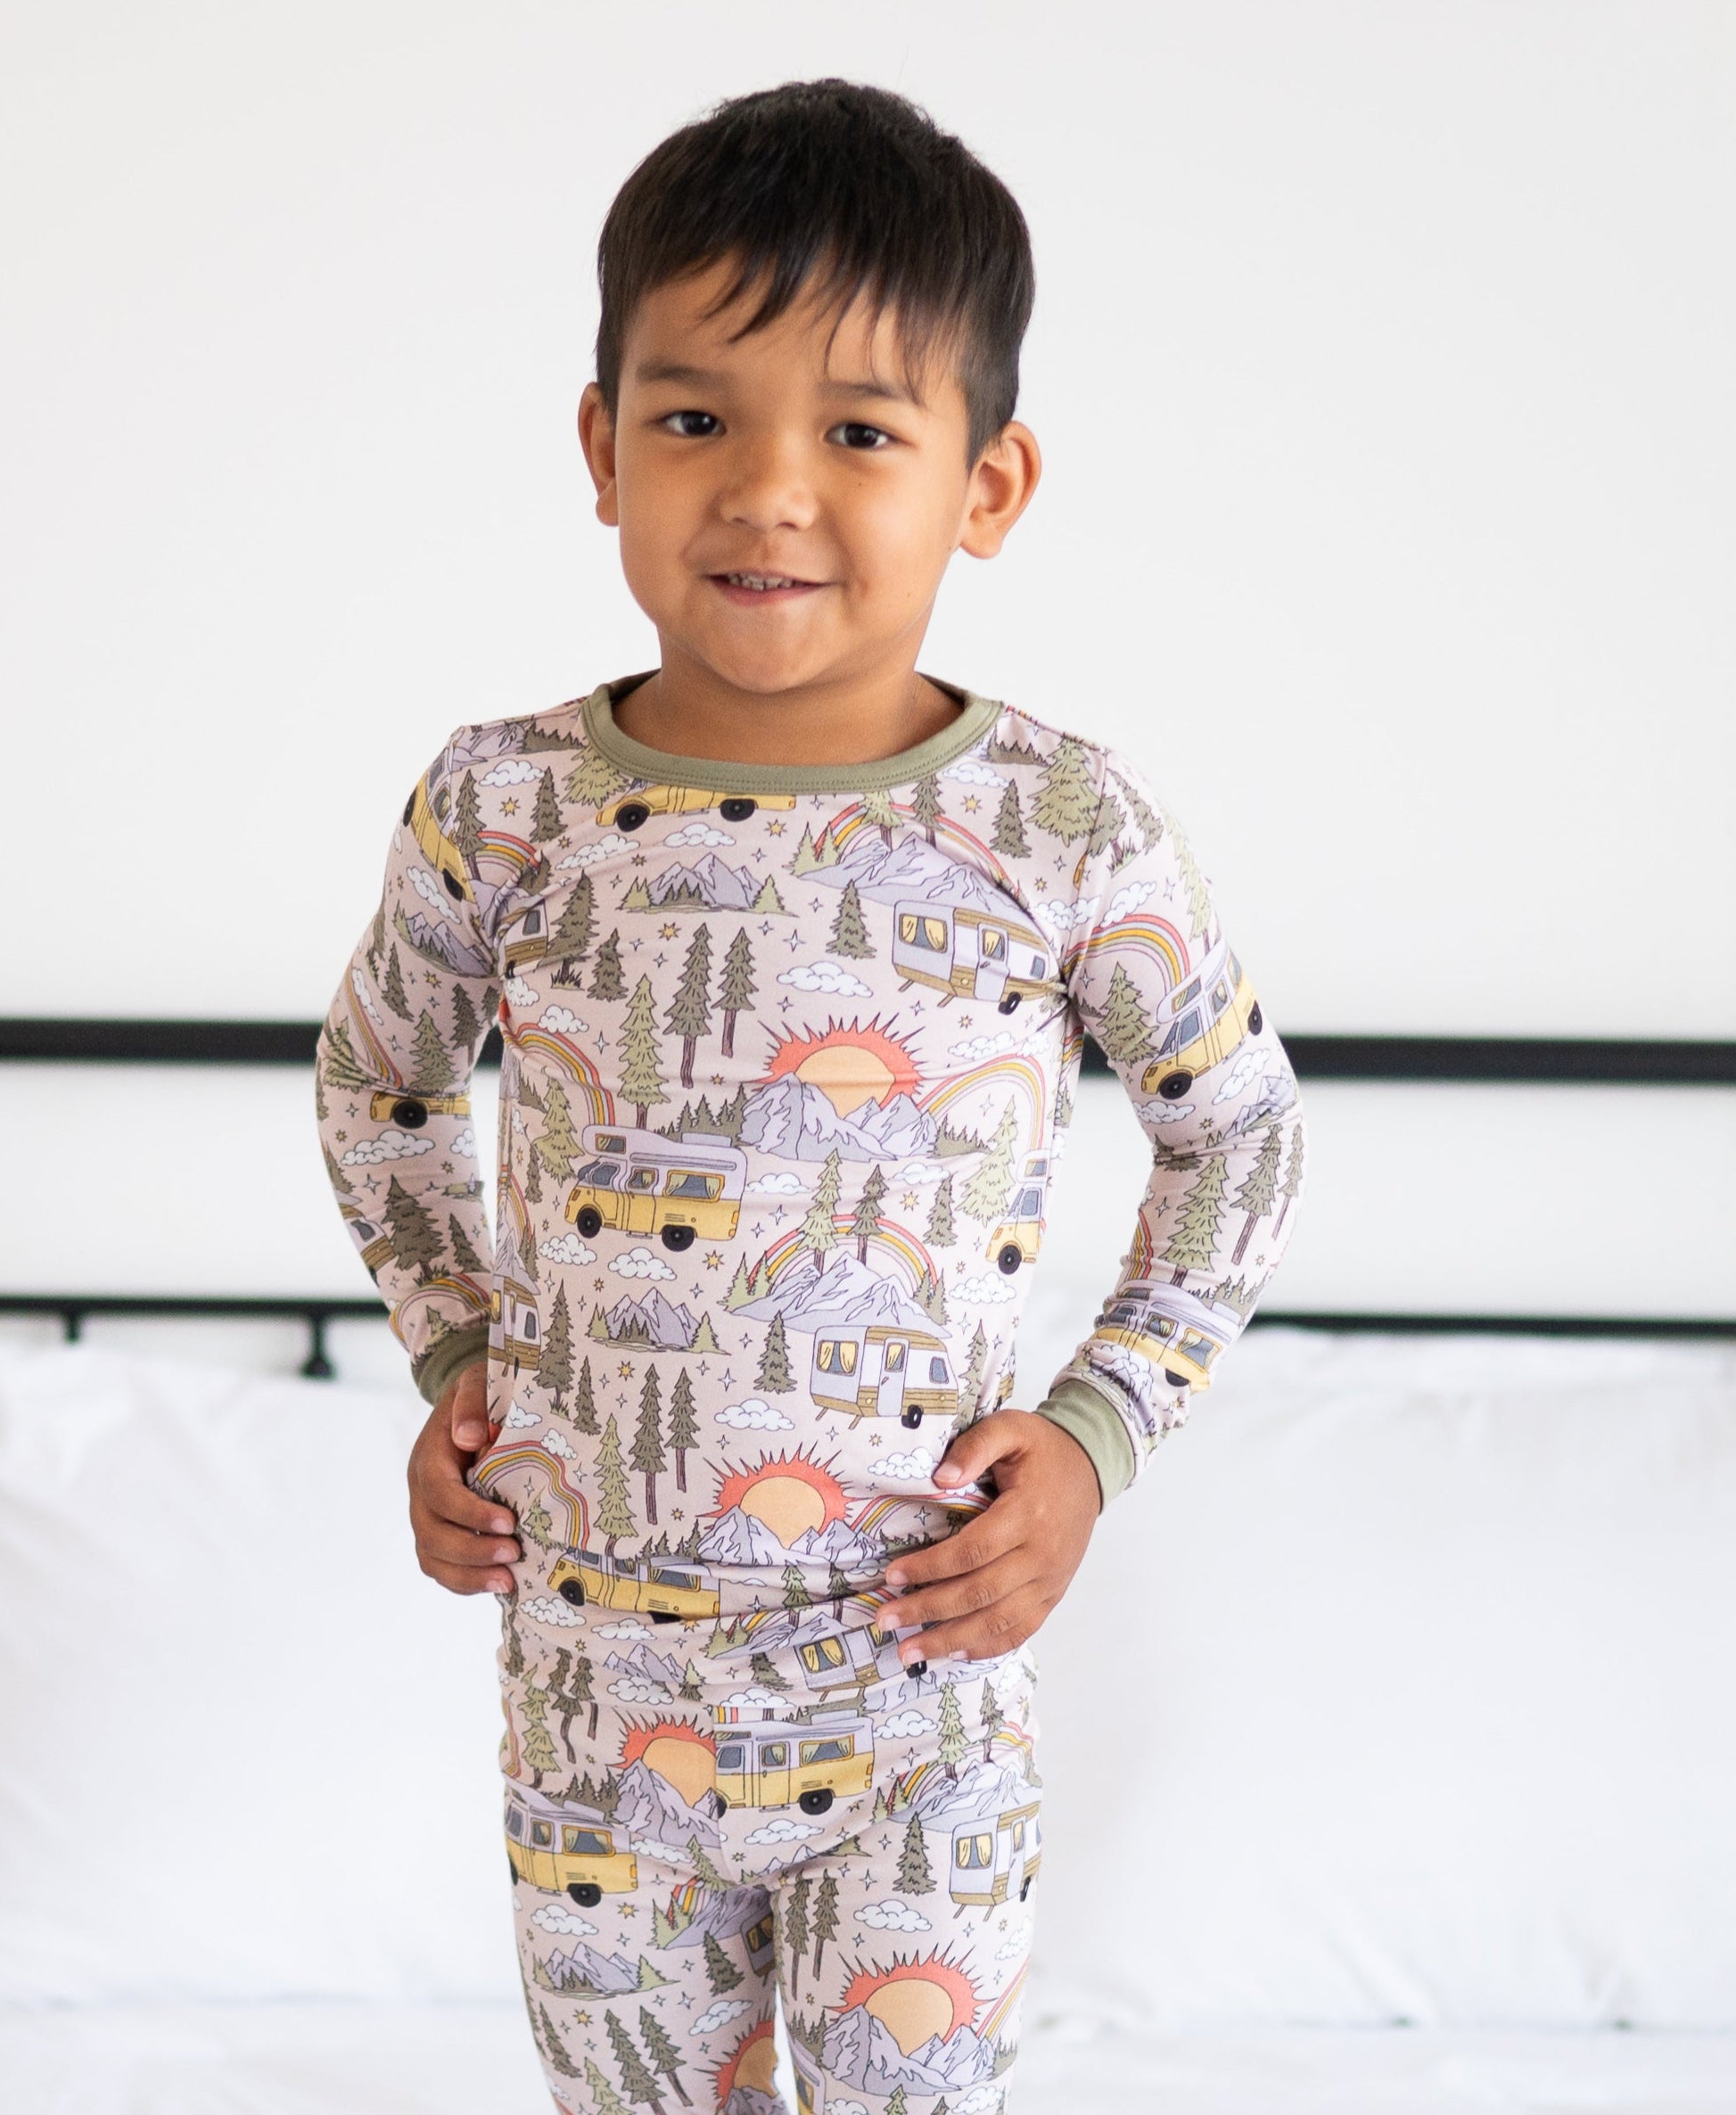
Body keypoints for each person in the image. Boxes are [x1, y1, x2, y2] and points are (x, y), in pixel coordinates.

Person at [317, 78, 1304, 2115]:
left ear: (986, 482)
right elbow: (379, 1087)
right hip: (599, 1713)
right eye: (696, 419)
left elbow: (1242, 1134)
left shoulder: (1057, 821)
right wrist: (461, 1359)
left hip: (916, 1691)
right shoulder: (503, 809)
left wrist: (1098, 1429)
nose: (769, 492)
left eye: (858, 431)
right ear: (601, 450)